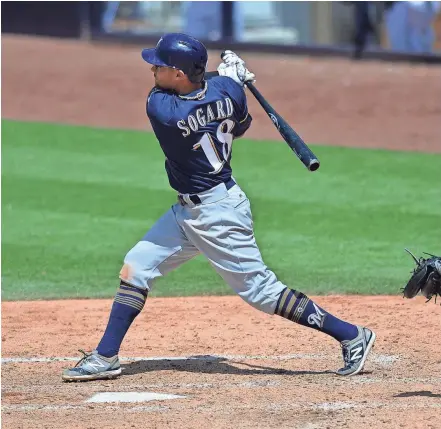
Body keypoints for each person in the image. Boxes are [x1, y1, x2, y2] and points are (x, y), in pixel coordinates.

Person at [62, 33, 376, 382]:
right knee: (137, 266)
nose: (152, 68)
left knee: (262, 292)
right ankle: (106, 355)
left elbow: (199, 98)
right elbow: (238, 125)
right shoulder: (229, 92)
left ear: (179, 75)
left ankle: (351, 335)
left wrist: (224, 77)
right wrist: (230, 79)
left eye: (160, 65)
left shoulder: (162, 108)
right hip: (191, 211)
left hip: (218, 216)